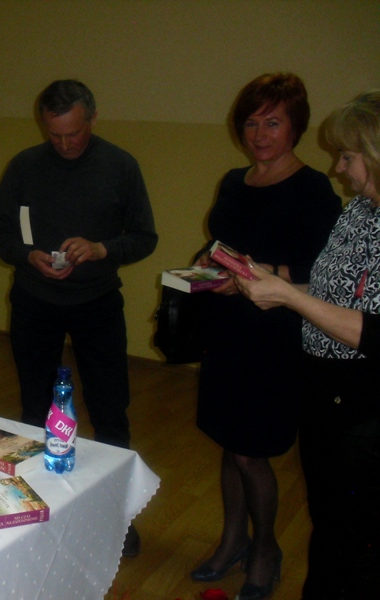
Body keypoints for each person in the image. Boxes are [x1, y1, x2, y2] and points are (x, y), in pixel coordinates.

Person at [0, 79, 158, 556]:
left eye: (74, 134)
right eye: (55, 135)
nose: (64, 144)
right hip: (34, 301)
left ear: (93, 119)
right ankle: (37, 512)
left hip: (97, 303)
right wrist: (27, 256)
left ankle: (116, 515)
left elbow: (144, 237)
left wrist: (102, 249)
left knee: (110, 410)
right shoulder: (24, 165)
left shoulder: (120, 165)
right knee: (34, 410)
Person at [190, 74, 342, 600]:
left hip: (275, 335)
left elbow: (322, 274)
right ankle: (233, 540)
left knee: (251, 451)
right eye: (251, 123)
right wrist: (206, 265)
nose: (260, 135)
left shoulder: (314, 189)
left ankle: (266, 549)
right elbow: (221, 244)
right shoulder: (235, 181)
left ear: (296, 126)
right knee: (230, 441)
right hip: (227, 329)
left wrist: (256, 276)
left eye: (273, 123)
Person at [237, 89, 380, 599]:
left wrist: (289, 298)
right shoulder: (360, 211)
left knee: (361, 538)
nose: (339, 167)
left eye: (348, 156)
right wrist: (278, 284)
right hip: (324, 393)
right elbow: (330, 293)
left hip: (367, 406)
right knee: (329, 521)